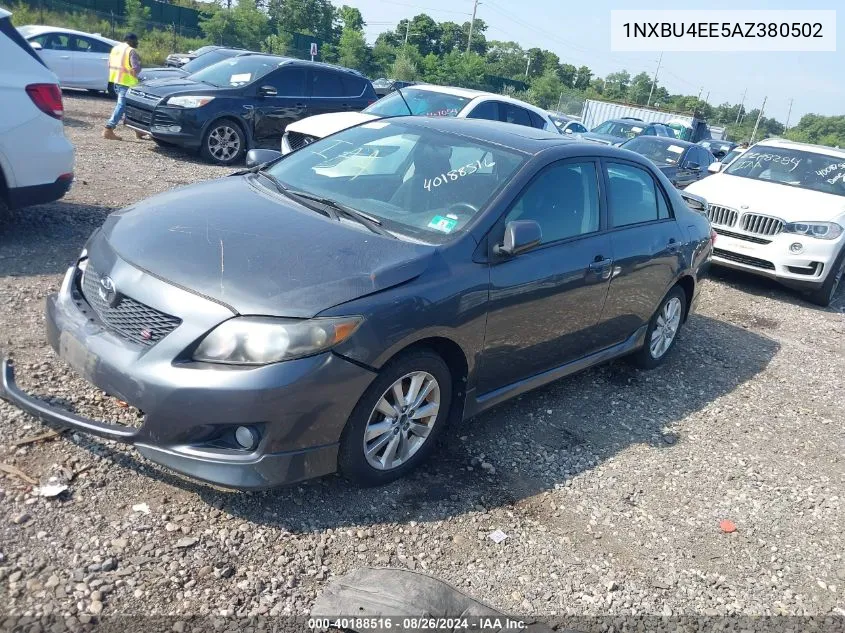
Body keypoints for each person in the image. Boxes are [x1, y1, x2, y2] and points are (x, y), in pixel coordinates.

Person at [103, 33, 145, 141]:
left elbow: (109, 64)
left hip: (116, 81)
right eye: (136, 40)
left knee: (128, 107)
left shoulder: (115, 49)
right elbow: (135, 68)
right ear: (130, 40)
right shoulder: (131, 51)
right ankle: (109, 128)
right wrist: (139, 71)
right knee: (122, 106)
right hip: (127, 83)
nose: (137, 43)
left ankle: (138, 130)